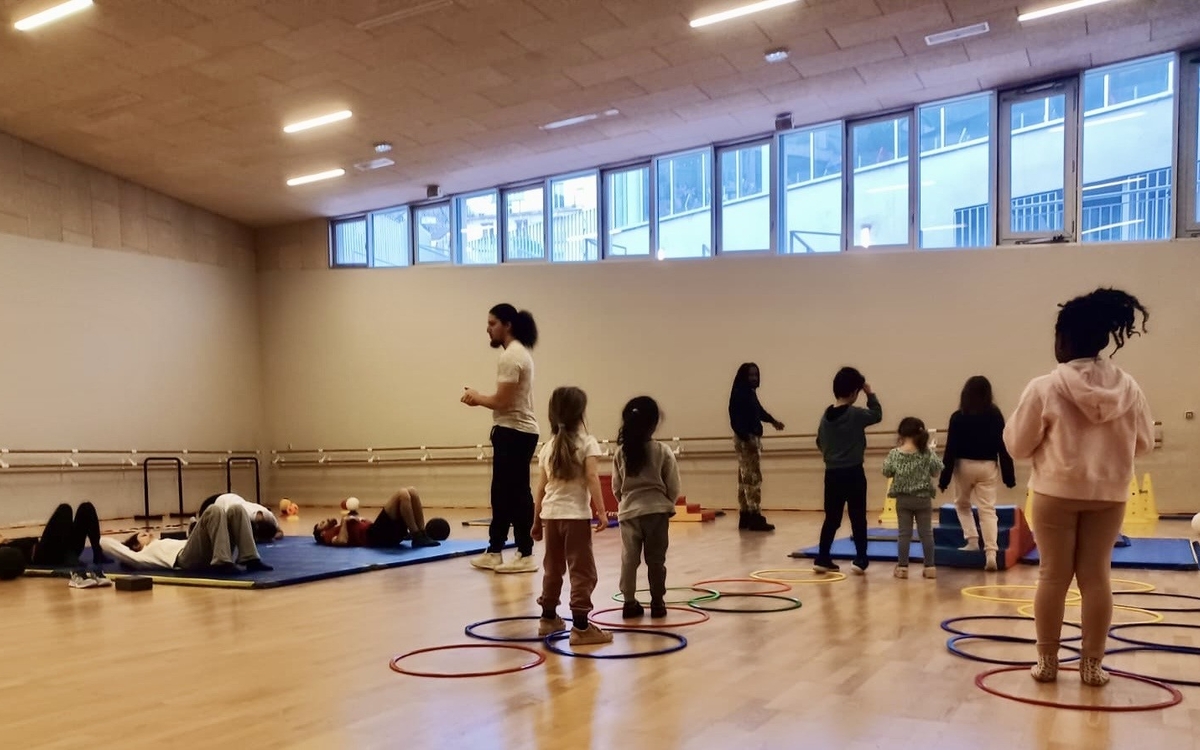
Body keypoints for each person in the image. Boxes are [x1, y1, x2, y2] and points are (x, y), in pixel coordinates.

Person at [1004, 288, 1154, 687]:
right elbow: (1144, 443)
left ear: (1064, 340)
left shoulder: (1044, 387)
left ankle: (1047, 663)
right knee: (1096, 577)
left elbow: (1017, 445)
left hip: (1055, 493)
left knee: (1053, 577)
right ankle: (1092, 666)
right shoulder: (1129, 388)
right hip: (1110, 496)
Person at [462, 303, 540, 574]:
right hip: (512, 431)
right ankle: (495, 550)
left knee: (517, 493)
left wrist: (476, 397)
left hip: (515, 432)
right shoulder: (516, 353)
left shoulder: (511, 356)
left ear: (508, 325)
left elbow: (501, 401)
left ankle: (525, 553)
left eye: (492, 323)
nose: (488, 329)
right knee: (501, 493)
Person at [531, 386, 611, 645]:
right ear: (580, 414)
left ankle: (548, 618)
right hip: (575, 517)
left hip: (551, 516)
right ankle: (581, 627)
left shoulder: (548, 447)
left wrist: (536, 521)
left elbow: (540, 488)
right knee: (582, 571)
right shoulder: (587, 443)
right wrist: (602, 512)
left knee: (552, 568)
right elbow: (592, 478)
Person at [939, 376, 1016, 571]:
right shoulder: (995, 415)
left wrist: (944, 479)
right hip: (988, 466)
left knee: (962, 504)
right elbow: (1003, 446)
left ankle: (972, 540)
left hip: (964, 465)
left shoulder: (958, 416)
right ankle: (991, 552)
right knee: (987, 510)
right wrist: (1009, 476)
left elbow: (950, 449)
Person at [613, 396, 679, 619]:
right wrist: (666, 503)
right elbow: (673, 486)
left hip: (629, 513)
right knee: (656, 560)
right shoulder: (662, 451)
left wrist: (625, 503)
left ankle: (629, 603)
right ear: (654, 423)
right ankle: (658, 603)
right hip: (657, 512)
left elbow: (616, 487)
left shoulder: (621, 452)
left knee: (629, 560)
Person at [814, 367, 882, 575]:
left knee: (832, 518)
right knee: (857, 517)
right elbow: (877, 415)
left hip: (832, 474)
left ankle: (822, 557)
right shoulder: (855, 414)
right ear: (854, 392)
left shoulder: (825, 417)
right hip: (853, 473)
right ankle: (860, 559)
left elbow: (819, 442)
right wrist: (870, 394)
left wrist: (832, 454)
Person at [104, 502, 273, 572]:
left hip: (200, 552)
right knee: (213, 510)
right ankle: (222, 562)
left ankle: (250, 559)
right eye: (142, 535)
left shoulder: (164, 542)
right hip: (185, 559)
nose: (148, 533)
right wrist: (124, 546)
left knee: (236, 509)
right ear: (136, 546)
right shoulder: (142, 555)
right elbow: (105, 542)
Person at [883, 418, 943, 580]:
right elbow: (936, 471)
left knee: (904, 534)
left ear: (901, 434)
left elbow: (887, 471)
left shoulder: (895, 454)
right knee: (926, 534)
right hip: (923, 499)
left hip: (903, 500)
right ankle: (930, 567)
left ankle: (902, 567)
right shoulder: (926, 453)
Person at [728, 363, 785, 532]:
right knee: (753, 478)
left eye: (756, 375)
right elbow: (734, 417)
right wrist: (746, 438)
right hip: (747, 440)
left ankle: (745, 514)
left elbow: (759, 411)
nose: (754, 378)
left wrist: (773, 421)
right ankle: (755, 516)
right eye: (751, 375)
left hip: (748, 438)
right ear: (744, 376)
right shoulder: (740, 393)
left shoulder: (748, 392)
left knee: (744, 478)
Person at [313, 488, 440, 548]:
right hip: (375, 538)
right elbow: (342, 541)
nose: (326, 520)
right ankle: (416, 535)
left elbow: (359, 529)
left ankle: (422, 533)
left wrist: (359, 519)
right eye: (322, 523)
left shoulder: (339, 527)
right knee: (402, 494)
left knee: (412, 492)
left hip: (380, 533)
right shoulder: (328, 536)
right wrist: (345, 521)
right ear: (322, 532)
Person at [0, 501, 110, 567]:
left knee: (86, 507)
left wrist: (7, 541)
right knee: (65, 509)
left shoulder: (7, 543)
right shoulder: (4, 550)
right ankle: (67, 556)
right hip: (44, 555)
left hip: (56, 548)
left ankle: (97, 553)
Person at [195, 492, 283, 543]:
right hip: (219, 501)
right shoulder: (241, 516)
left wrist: (273, 536)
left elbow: (280, 532)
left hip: (233, 497)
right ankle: (194, 524)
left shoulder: (269, 516)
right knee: (205, 530)